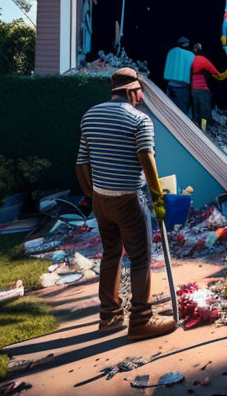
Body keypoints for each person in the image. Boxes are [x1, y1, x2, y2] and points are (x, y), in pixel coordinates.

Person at [75, 67, 176, 340]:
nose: (141, 96)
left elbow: (81, 162)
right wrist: (158, 198)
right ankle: (141, 320)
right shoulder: (140, 119)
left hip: (101, 201)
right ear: (131, 91)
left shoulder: (90, 115)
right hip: (129, 199)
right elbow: (147, 159)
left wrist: (92, 195)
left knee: (111, 254)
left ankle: (109, 317)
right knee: (140, 257)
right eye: (139, 91)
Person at [190, 42, 227, 128]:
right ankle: (203, 130)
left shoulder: (190, 59)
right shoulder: (203, 60)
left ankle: (194, 128)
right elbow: (218, 75)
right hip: (203, 90)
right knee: (205, 111)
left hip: (193, 89)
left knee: (195, 110)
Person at [163, 36, 194, 115]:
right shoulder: (190, 54)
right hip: (182, 87)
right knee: (182, 111)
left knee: (170, 108)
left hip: (170, 85)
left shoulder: (171, 52)